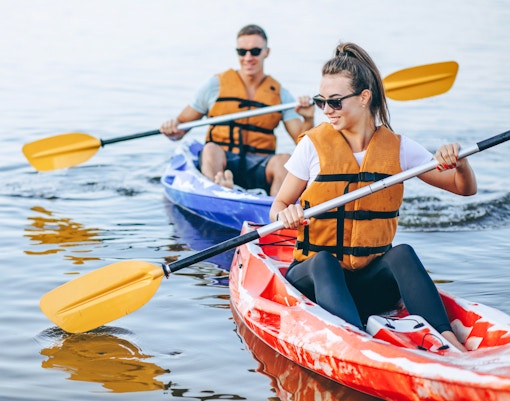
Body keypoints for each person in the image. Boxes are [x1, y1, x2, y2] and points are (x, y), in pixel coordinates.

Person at [269, 42, 477, 352]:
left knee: (402, 253)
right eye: (320, 101)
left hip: (369, 286)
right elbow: (278, 206)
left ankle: (447, 338)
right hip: (314, 280)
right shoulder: (311, 146)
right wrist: (284, 214)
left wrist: (460, 163)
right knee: (324, 261)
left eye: (335, 102)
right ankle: (357, 344)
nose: (326, 110)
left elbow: (464, 188)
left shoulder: (398, 147)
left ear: (364, 98)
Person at [160, 24, 314, 196]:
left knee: (284, 160)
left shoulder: (281, 95)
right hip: (224, 161)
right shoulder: (214, 86)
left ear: (266, 52)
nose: (248, 57)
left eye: (255, 51)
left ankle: (276, 211)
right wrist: (172, 128)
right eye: (242, 52)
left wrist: (308, 119)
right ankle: (218, 191)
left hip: (260, 165)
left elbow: (303, 146)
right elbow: (181, 127)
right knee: (210, 149)